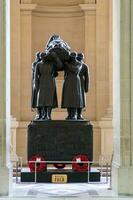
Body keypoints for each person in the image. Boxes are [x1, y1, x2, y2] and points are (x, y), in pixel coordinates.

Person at [34, 52, 58, 120]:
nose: (44, 58)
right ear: (41, 57)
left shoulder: (52, 64)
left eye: (45, 57)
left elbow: (59, 65)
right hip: (42, 82)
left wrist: (55, 57)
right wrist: (36, 86)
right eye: (43, 57)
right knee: (42, 100)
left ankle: (48, 115)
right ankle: (44, 114)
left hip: (50, 82)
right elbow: (36, 76)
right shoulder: (38, 65)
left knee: (49, 99)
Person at [61, 52, 83, 120]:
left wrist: (67, 64)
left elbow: (75, 70)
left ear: (75, 57)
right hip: (68, 81)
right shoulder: (68, 63)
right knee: (68, 98)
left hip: (75, 81)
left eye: (73, 57)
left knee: (74, 98)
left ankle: (74, 114)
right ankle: (69, 114)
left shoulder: (79, 63)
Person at [76, 53, 89, 119]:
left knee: (81, 99)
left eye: (81, 57)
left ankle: (79, 114)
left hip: (81, 83)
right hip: (74, 83)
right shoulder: (75, 65)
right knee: (74, 99)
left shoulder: (84, 66)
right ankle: (74, 114)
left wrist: (86, 87)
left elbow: (87, 78)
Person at [31, 51, 42, 119]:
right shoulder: (35, 64)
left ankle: (41, 113)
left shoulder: (40, 64)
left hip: (42, 82)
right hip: (36, 82)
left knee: (41, 99)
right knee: (37, 99)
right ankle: (38, 113)